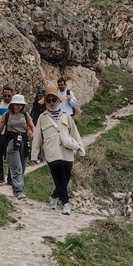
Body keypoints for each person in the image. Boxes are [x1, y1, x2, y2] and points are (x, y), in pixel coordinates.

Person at [32, 84, 85, 215]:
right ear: (45, 102)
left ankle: (54, 197)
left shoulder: (66, 115)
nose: (51, 103)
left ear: (58, 101)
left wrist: (81, 148)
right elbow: (37, 136)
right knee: (60, 178)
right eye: (48, 100)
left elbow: (75, 133)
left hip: (67, 153)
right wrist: (34, 155)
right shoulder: (42, 118)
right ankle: (66, 203)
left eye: (53, 100)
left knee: (65, 179)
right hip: (52, 153)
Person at [0, 93, 33, 200]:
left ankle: (16, 188)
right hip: (11, 142)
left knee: (22, 166)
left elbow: (33, 126)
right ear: (12, 104)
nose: (18, 106)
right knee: (16, 166)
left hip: (23, 141)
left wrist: (35, 138)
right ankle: (19, 190)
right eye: (16, 104)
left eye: (20, 105)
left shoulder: (26, 115)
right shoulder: (7, 115)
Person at [0, 86, 14, 184]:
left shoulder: (14, 106)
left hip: (10, 134)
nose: (7, 97)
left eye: (9, 95)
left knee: (11, 156)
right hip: (0, 134)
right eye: (5, 95)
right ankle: (0, 176)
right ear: (2, 95)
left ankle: (10, 178)